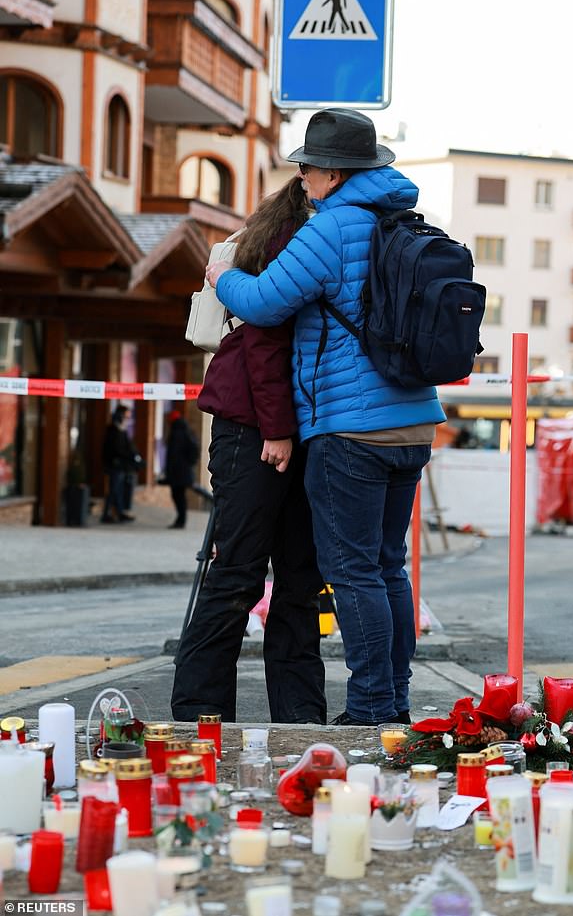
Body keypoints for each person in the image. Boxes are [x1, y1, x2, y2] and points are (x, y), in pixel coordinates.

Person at [209, 108, 446, 727]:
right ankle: (393, 699)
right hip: (415, 422)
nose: (304, 179)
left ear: (333, 173)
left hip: (351, 428)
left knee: (351, 571)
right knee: (389, 565)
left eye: (308, 168)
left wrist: (224, 275)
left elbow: (263, 302)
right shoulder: (404, 222)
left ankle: (368, 709)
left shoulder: (332, 228)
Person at [171, 176, 327, 725]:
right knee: (237, 573)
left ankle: (299, 718)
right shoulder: (292, 237)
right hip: (253, 429)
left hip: (287, 428)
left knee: (299, 581)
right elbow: (264, 344)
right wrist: (278, 430)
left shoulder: (310, 233)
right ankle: (199, 715)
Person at [101, 405, 140, 523]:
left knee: (118, 489)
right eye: (126, 416)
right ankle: (108, 513)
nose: (127, 419)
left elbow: (127, 446)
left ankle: (119, 512)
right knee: (114, 489)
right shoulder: (114, 430)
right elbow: (117, 449)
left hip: (121, 465)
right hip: (115, 465)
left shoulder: (121, 430)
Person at [164, 410, 200, 529]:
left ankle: (181, 520)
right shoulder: (187, 431)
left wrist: (169, 472)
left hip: (178, 472)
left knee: (178, 496)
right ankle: (181, 519)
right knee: (180, 496)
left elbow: (173, 456)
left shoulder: (177, 433)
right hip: (184, 471)